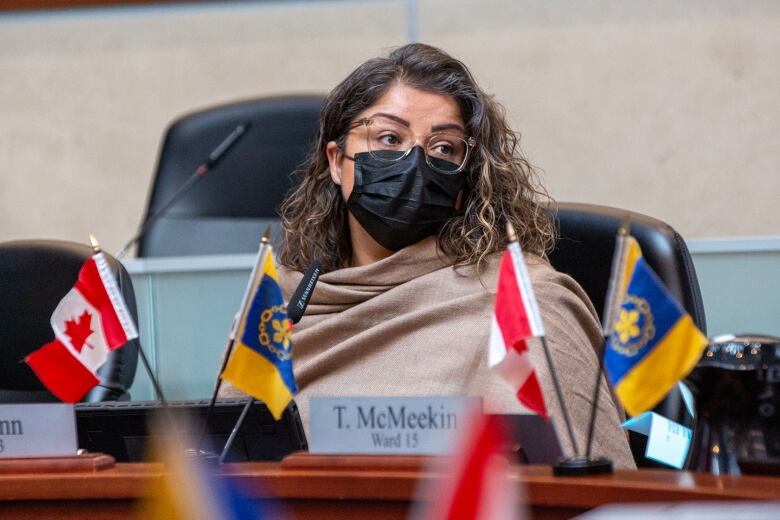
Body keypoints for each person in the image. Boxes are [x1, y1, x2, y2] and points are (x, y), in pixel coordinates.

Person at [226, 43, 634, 468]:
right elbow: (226, 467)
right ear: (336, 161)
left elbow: (597, 492)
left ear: (465, 181)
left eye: (443, 148)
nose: (415, 163)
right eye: (388, 138)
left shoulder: (526, 307)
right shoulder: (283, 310)